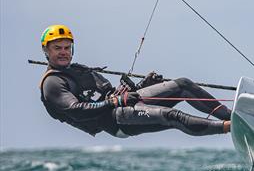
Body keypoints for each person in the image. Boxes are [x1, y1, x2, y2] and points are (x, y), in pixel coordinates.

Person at [39, 24, 232, 138]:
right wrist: (115, 102)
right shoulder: (53, 83)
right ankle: (231, 128)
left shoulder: (75, 70)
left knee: (183, 84)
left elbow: (112, 93)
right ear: (46, 51)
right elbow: (77, 111)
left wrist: (142, 87)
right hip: (115, 121)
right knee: (171, 116)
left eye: (67, 47)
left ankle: (232, 116)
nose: (64, 52)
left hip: (121, 104)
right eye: (57, 48)